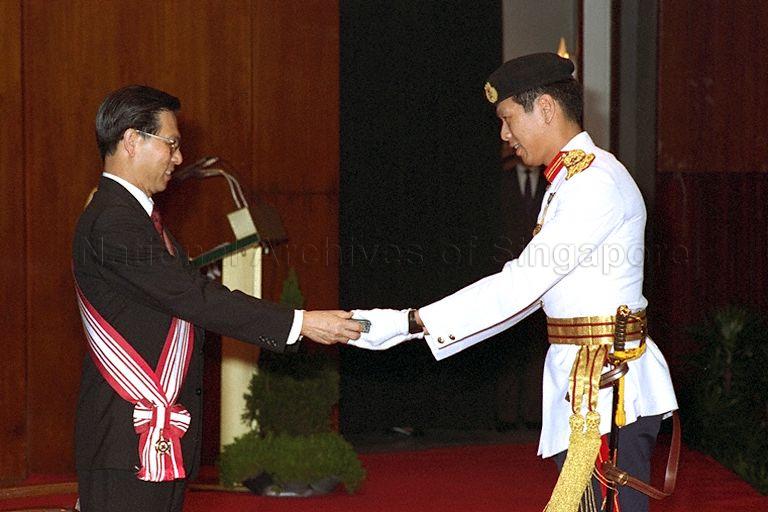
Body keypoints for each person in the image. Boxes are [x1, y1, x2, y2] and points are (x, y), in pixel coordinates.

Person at [349, 53, 678, 512]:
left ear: (545, 108)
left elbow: (521, 284)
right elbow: (531, 296)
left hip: (604, 394)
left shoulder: (593, 182)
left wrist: (409, 322)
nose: (504, 134)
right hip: (588, 388)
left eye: (507, 119)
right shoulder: (571, 180)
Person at [72, 85, 361, 512]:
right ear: (132, 141)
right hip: (125, 438)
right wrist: (301, 323)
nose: (178, 158)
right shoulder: (114, 221)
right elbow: (192, 296)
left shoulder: (136, 217)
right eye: (171, 144)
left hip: (147, 436)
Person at [493, 146, 547, 431]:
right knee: (508, 344)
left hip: (542, 276)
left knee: (538, 346)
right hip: (507, 273)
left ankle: (534, 412)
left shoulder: (552, 183)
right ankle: (506, 414)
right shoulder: (501, 181)